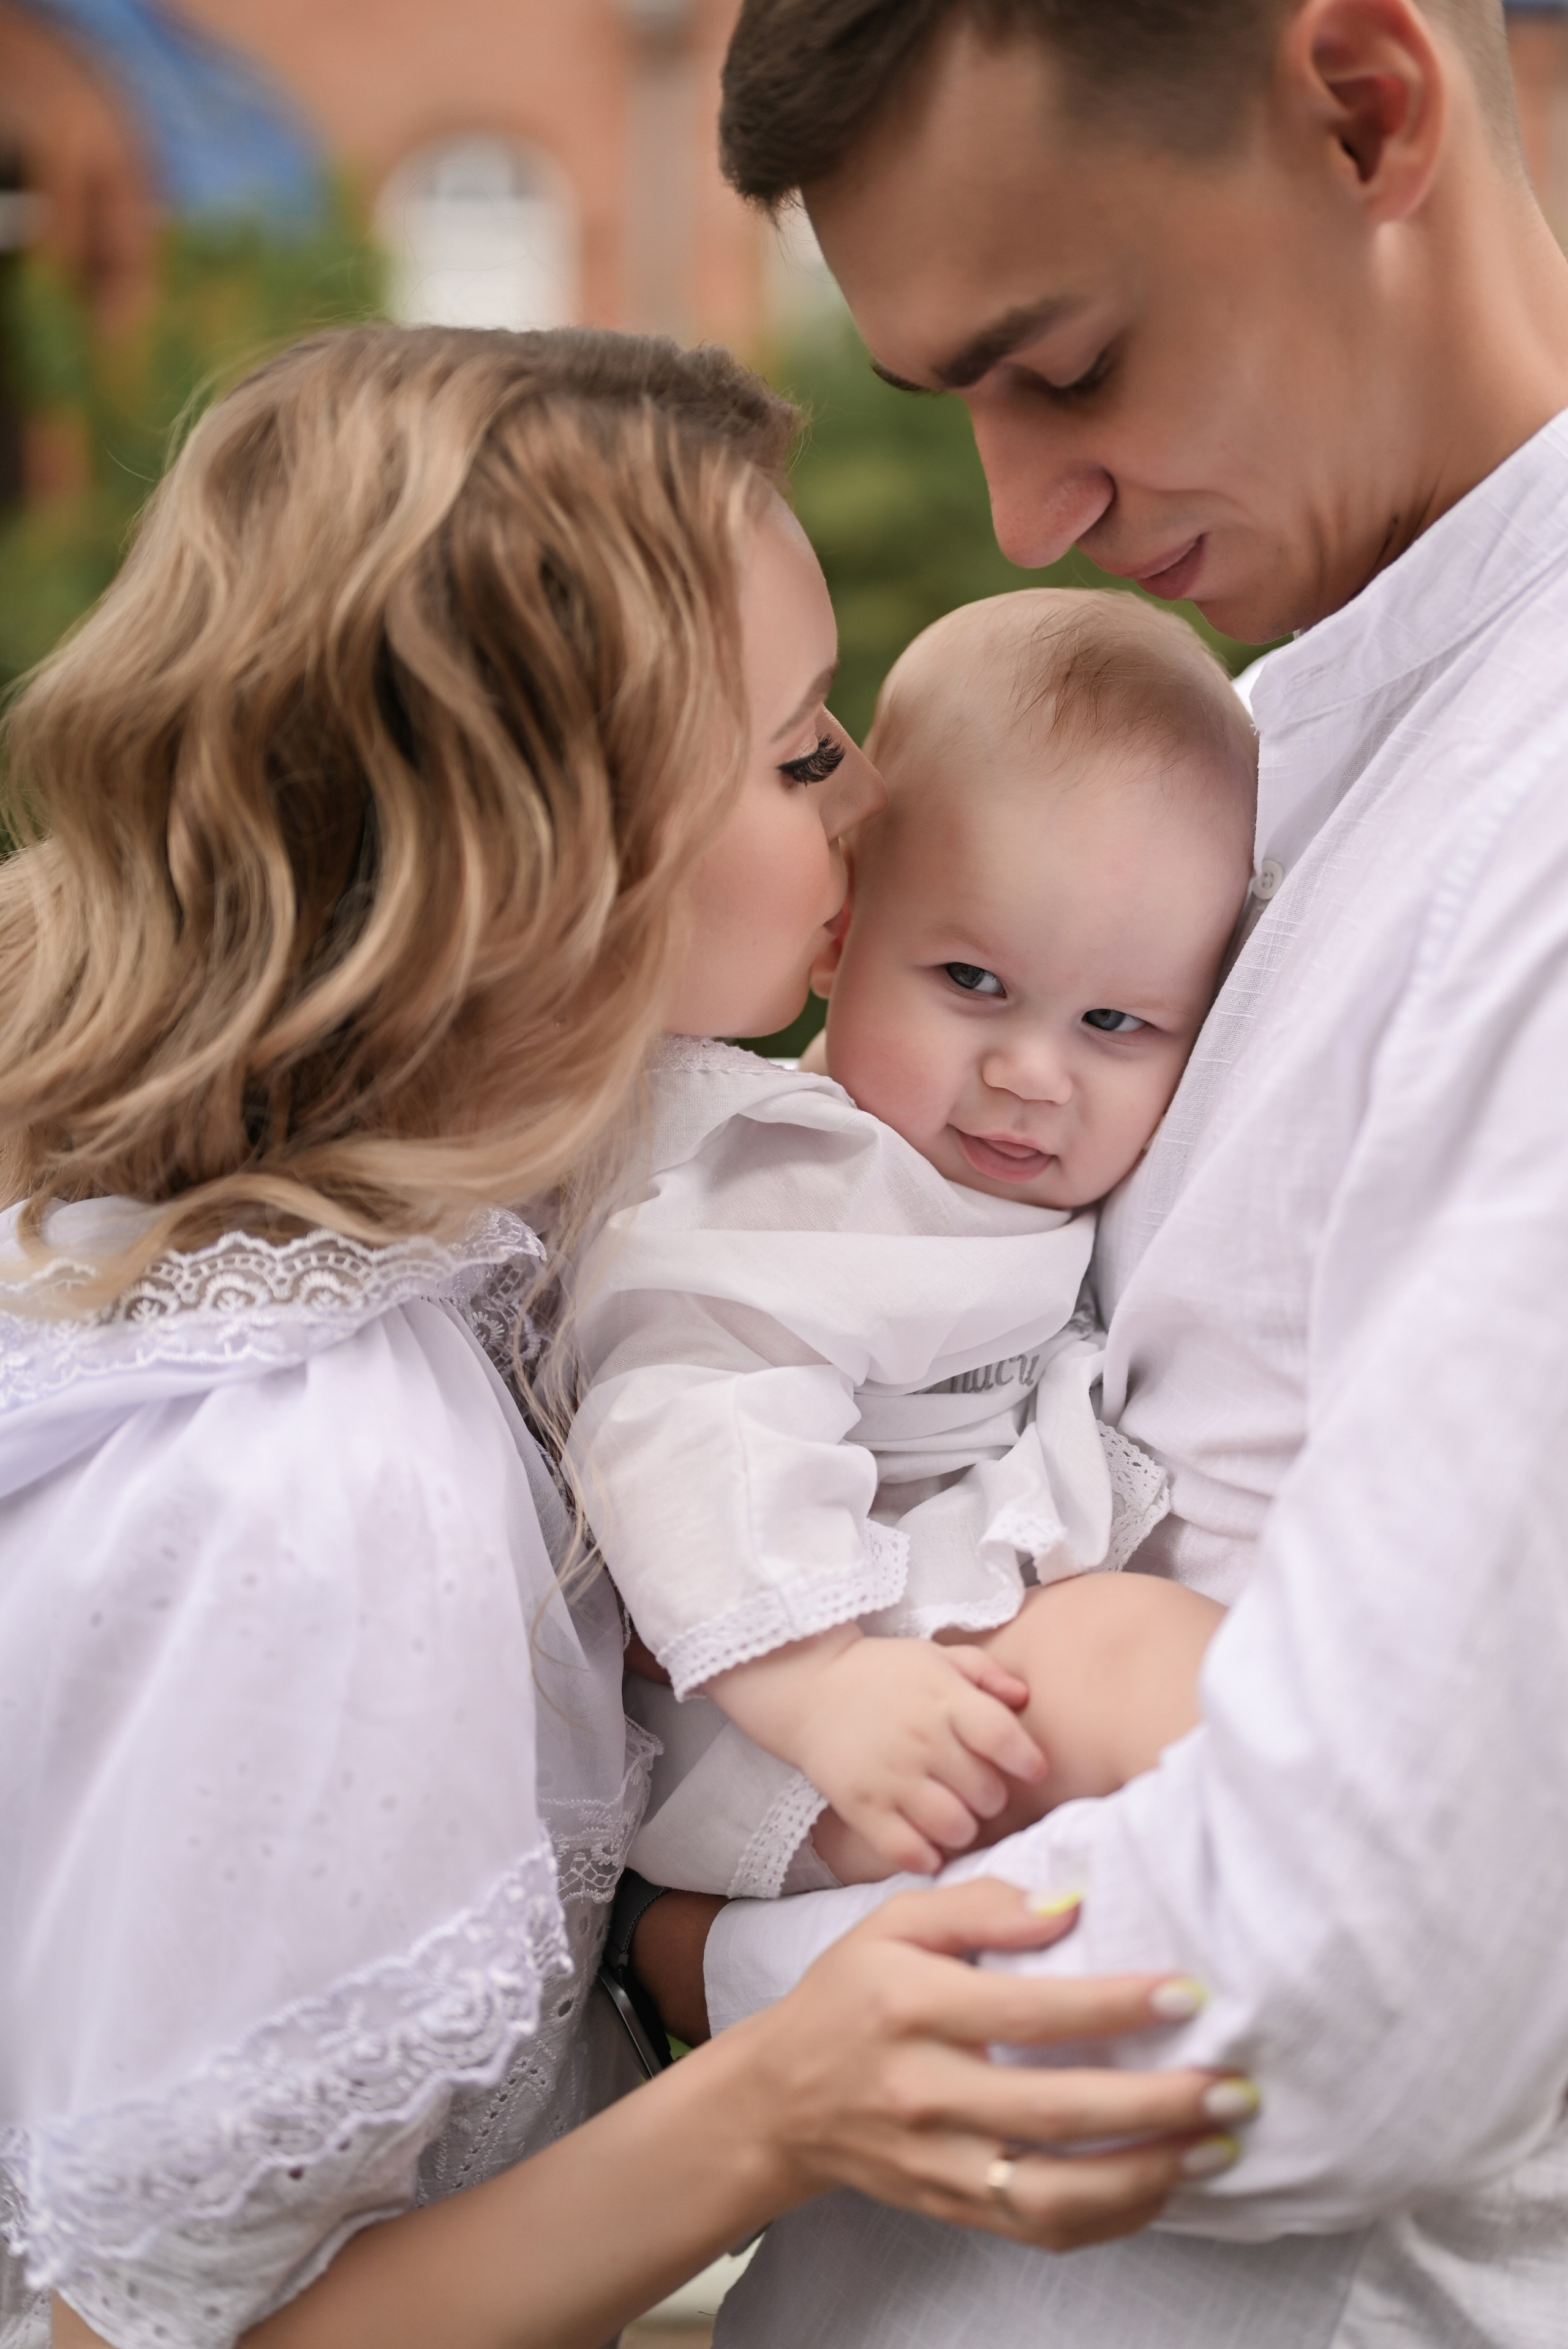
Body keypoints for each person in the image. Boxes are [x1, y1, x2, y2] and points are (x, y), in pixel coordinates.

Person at [0, 322, 1253, 2349]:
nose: (865, 800)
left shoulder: (508, 1229)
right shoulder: (329, 1495)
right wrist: (786, 2095)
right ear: (545, 865)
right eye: (795, 749)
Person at [699, 1, 1568, 2343]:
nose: (1020, 516)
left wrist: (697, 1959)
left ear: (1364, 104)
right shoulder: (1237, 763)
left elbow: (1357, 1972)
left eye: (1065, 365)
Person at [569, 591, 1245, 1898]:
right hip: (791, 1694)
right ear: (841, 935)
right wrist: (821, 1685)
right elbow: (683, 1415)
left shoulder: (978, 1167)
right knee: (1140, 1659)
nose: (1031, 1073)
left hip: (905, 1662)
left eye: (1115, 1021)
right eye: (971, 982)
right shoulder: (802, 1174)